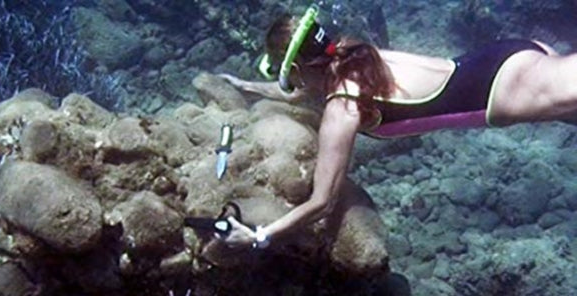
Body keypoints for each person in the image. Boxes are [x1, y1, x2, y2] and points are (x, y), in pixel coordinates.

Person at [220, 5, 574, 249]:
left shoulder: (343, 108)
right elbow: (303, 92)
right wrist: (248, 87)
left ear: (296, 70)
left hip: (505, 90)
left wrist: (258, 236)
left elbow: (321, 202)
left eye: (285, 76)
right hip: (506, 58)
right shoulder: (347, 52)